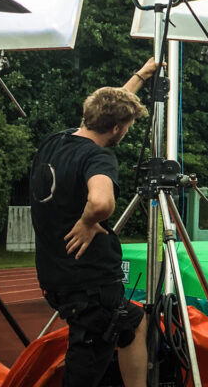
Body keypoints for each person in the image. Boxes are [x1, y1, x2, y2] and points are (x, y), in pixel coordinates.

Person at [29, 58, 158, 387]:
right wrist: (88, 220)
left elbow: (111, 108)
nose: (126, 132)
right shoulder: (98, 156)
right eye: (126, 127)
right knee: (84, 369)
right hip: (89, 284)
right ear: (116, 128)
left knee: (134, 322)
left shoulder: (56, 142)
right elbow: (101, 202)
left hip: (55, 275)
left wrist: (142, 76)